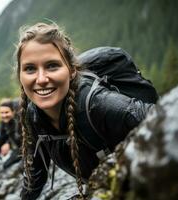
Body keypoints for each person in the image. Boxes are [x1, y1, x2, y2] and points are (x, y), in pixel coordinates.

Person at [15, 22, 155, 199]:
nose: (41, 79)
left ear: (72, 71)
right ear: (20, 75)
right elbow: (34, 178)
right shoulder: (32, 117)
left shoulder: (98, 104)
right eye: (30, 69)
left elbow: (163, 121)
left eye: (52, 66)